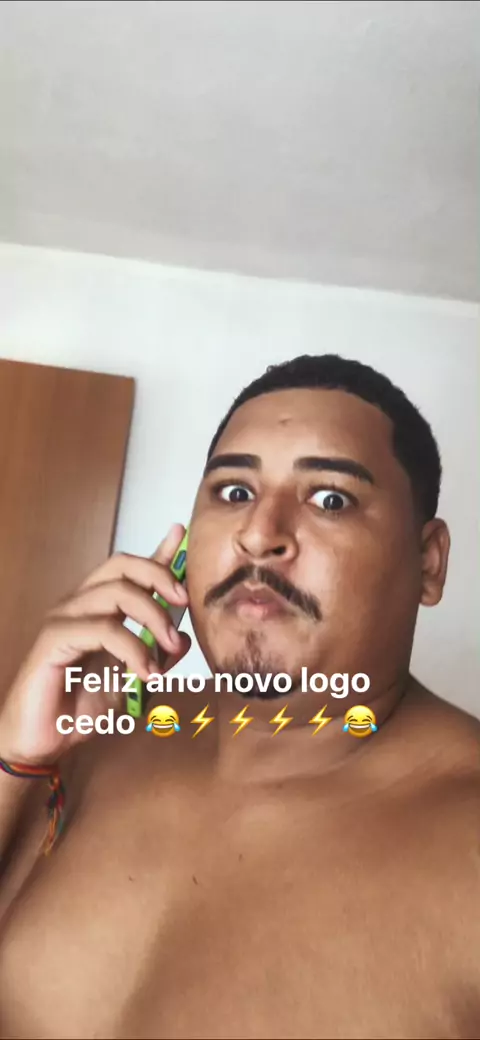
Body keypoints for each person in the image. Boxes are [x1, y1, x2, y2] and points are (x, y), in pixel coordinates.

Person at [0, 354, 478, 1040]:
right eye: (233, 491)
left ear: (428, 562)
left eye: (330, 499)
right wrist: (14, 758)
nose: (258, 533)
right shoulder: (98, 738)